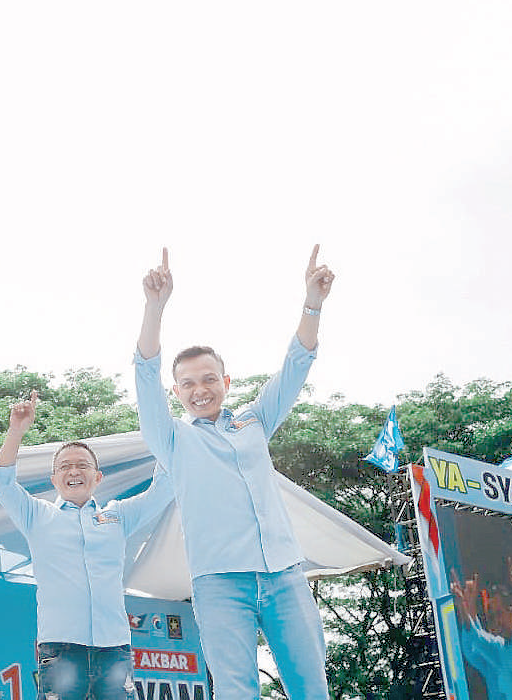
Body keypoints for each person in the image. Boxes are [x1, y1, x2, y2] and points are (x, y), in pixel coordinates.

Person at [134, 246, 334, 700]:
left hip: (285, 576)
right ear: (177, 391)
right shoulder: (172, 440)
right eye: (188, 383)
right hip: (220, 582)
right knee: (235, 691)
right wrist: (154, 308)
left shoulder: (254, 420)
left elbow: (297, 364)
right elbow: (144, 375)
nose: (200, 390)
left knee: (312, 689)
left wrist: (313, 303)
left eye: (209, 379)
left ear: (226, 382)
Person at [0, 391, 174, 700]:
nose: (74, 471)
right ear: (53, 479)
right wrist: (17, 430)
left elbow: (164, 487)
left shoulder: (118, 515)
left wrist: (163, 424)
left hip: (114, 647)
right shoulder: (37, 514)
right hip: (61, 647)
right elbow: (2, 483)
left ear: (98, 476)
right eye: (64, 466)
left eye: (82, 465)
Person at [450, 560, 512, 700]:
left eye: (499, 614)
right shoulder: (495, 649)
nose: (496, 622)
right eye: (491, 617)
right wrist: (463, 607)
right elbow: (473, 641)